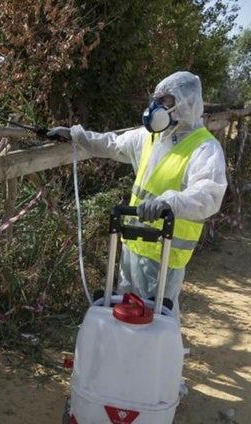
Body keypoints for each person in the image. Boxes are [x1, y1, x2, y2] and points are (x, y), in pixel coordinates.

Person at [47, 71, 227, 316]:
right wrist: (76, 135)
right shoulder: (150, 138)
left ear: (186, 103)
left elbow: (209, 193)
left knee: (155, 323)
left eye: (166, 101)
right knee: (125, 315)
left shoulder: (204, 148)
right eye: (157, 100)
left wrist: (168, 202)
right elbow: (111, 144)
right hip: (133, 248)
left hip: (164, 256)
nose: (157, 107)